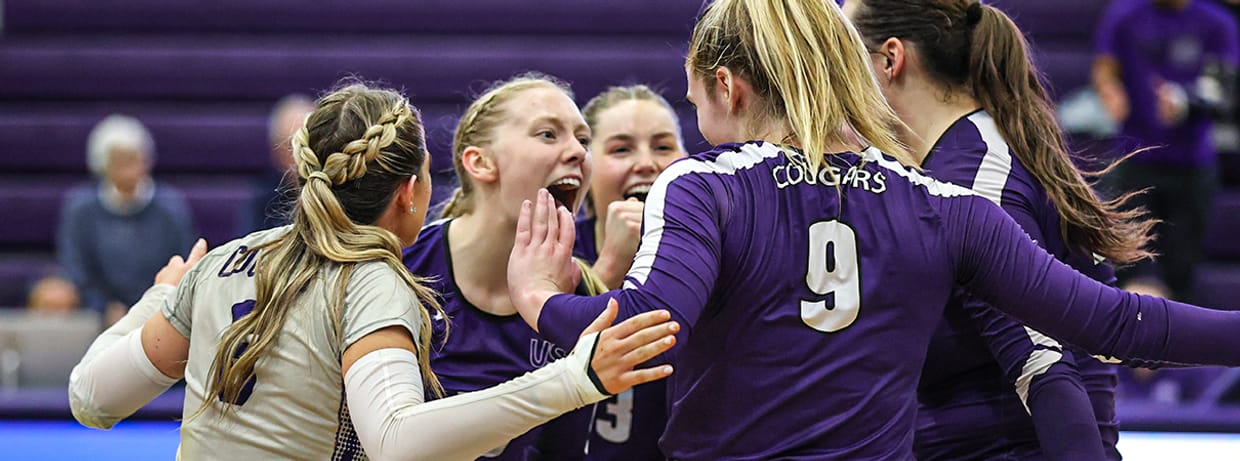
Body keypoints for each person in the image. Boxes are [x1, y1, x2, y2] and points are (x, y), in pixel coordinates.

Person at [505, 1, 1240, 459]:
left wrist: (542, 296)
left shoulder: (705, 185)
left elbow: (641, 326)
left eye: (693, 89)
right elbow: (1120, 321)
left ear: (726, 85)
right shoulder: (940, 200)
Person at [67, 81, 678, 460]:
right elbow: (396, 441)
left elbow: (92, 398)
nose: (575, 149)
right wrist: (574, 380)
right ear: (412, 192)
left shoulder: (223, 262)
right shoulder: (379, 281)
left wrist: (156, 298)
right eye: (549, 133)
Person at [846, 1, 1156, 459]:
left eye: (844, 53)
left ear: (890, 60)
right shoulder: (971, 153)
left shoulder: (975, 181)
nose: (831, 74)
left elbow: (1045, 369)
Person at [403, 73, 607, 461]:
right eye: (548, 134)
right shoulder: (402, 270)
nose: (578, 152)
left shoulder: (580, 295)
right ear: (480, 162)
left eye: (583, 139)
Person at [1092, 0, 1239, 300]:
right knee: (1125, 269)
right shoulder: (1124, 14)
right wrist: (1111, 92)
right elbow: (1105, 67)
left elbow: (1222, 90)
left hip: (1192, 164)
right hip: (1134, 161)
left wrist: (1184, 102)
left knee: (1181, 271)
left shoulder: (1217, 22)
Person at [576, 85, 687, 460]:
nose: (645, 163)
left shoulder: (715, 256)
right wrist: (609, 266)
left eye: (663, 147)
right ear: (585, 169)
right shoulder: (551, 250)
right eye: (621, 149)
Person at [57, 114, 196, 326]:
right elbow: (75, 267)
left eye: (133, 160)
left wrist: (154, 304)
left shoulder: (171, 208)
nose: (128, 170)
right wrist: (103, 306)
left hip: (160, 311)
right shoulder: (81, 210)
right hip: (98, 316)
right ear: (102, 165)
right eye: (118, 162)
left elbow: (184, 262)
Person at [237, 94, 316, 235]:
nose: (299, 157)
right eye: (290, 147)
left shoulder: (342, 193)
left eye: (307, 146)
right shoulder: (263, 203)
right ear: (276, 151)